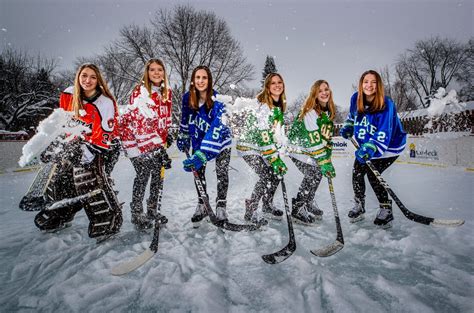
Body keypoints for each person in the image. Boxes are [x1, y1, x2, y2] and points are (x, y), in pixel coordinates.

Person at [35, 63, 123, 239]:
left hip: (105, 147)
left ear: (98, 80)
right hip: (76, 144)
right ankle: (61, 213)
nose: (87, 80)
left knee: (87, 181)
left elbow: (104, 137)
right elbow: (63, 123)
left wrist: (85, 153)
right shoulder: (68, 94)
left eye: (92, 77)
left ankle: (108, 219)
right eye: (84, 75)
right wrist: (53, 144)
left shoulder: (105, 102)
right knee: (60, 178)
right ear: (78, 77)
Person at [339, 70, 407, 227]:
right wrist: (349, 125)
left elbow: (385, 131)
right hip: (367, 144)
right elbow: (352, 116)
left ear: (379, 85)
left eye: (373, 82)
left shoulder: (386, 104)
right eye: (366, 82)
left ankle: (386, 208)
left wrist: (371, 147)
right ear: (361, 84)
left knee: (372, 174)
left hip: (390, 145)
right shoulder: (356, 98)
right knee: (357, 171)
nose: (369, 85)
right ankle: (359, 204)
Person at [118, 59, 173, 229]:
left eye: (160, 70)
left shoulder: (167, 92)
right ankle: (137, 213)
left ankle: (152, 209)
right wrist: (156, 146)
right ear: (147, 73)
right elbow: (141, 124)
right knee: (143, 175)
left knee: (158, 175)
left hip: (156, 142)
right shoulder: (140, 92)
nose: (156, 73)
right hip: (136, 141)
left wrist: (166, 135)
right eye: (152, 70)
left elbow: (165, 117)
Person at [176, 65, 232, 225]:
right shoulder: (187, 98)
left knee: (221, 173)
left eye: (204, 78)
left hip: (220, 141)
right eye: (197, 77)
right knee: (198, 172)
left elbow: (217, 128)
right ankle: (202, 204)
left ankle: (221, 205)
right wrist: (183, 134)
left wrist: (203, 153)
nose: (200, 81)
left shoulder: (217, 100)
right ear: (193, 80)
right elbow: (185, 119)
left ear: (209, 80)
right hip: (199, 140)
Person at [236, 72, 288, 225]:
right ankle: (251, 209)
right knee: (266, 175)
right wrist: (273, 158)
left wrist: (277, 155)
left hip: (261, 147)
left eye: (279, 82)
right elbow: (264, 134)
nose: (277, 85)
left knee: (276, 173)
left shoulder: (278, 107)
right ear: (267, 87)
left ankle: (267, 204)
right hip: (249, 146)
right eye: (273, 83)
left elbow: (276, 135)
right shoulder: (264, 106)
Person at [286, 79, 336, 224]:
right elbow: (314, 141)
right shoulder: (310, 112)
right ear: (314, 94)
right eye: (320, 91)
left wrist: (327, 159)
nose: (324, 93)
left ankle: (307, 202)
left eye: (326, 89)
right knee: (312, 173)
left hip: (310, 149)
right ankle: (298, 207)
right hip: (298, 148)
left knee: (318, 171)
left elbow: (325, 140)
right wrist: (324, 161)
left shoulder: (327, 112)